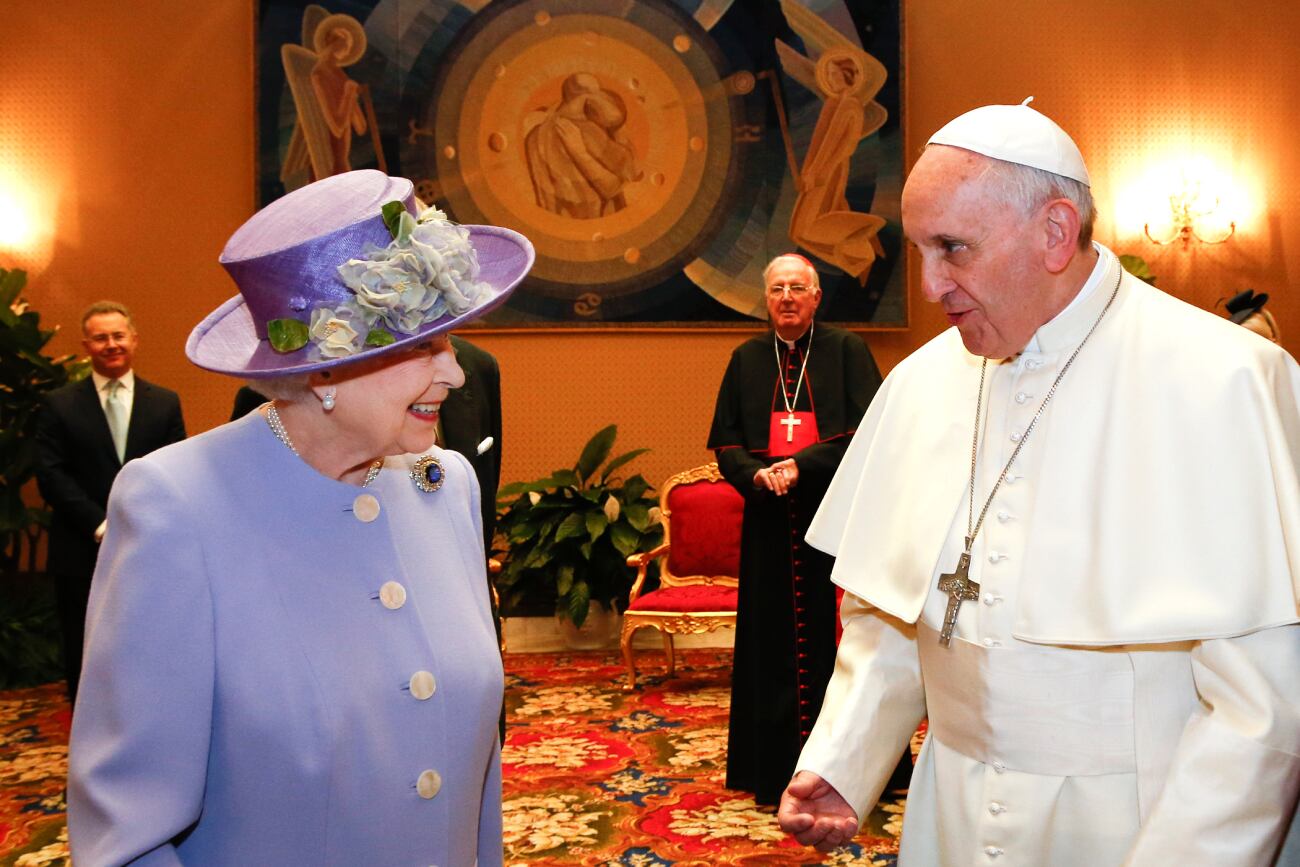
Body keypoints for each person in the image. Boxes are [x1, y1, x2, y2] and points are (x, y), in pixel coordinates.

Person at [778, 100, 1300, 863]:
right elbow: (891, 614)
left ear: (1056, 231)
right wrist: (847, 758)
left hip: (1144, 816)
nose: (929, 286)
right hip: (950, 811)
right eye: (920, 249)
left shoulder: (1225, 381)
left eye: (953, 248)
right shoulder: (923, 384)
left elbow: (1264, 704)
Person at [67, 169, 534, 865]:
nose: (456, 375)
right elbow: (125, 838)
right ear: (323, 370)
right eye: (419, 347)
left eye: (453, 341)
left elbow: (473, 784)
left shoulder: (449, 486)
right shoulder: (174, 505)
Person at [707, 252, 882, 806]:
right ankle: (771, 767)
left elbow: (867, 434)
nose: (787, 297)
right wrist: (757, 474)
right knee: (770, 645)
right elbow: (726, 444)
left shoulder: (847, 351)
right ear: (767, 298)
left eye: (797, 288)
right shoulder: (745, 358)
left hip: (831, 522)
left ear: (815, 298)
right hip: (768, 523)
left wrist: (800, 466)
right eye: (778, 287)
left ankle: (848, 768)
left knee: (844, 645)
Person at [34, 300, 185, 705]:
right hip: (80, 547)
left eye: (118, 336)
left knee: (147, 637)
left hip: (150, 545)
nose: (111, 344)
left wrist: (143, 522)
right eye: (101, 338)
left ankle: (147, 711)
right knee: (82, 640)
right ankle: (87, 725)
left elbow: (177, 471)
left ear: (134, 340)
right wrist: (100, 524)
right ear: (86, 345)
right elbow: (51, 475)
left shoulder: (165, 403)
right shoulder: (58, 405)